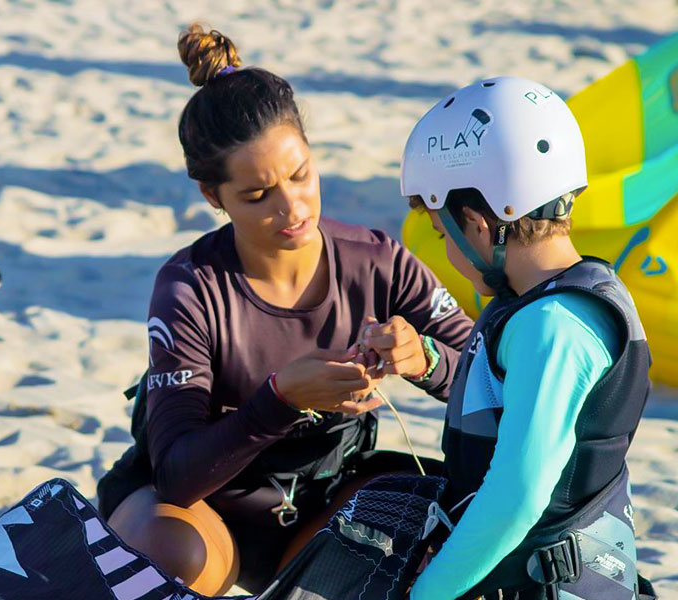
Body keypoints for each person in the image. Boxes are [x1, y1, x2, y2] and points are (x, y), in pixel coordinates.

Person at [96, 23, 474, 595]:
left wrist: (424, 359)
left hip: (324, 498)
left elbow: (492, 374)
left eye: (301, 175)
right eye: (257, 195)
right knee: (164, 556)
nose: (292, 207)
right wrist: (279, 400)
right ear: (213, 197)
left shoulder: (376, 261)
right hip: (201, 510)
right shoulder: (190, 287)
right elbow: (175, 477)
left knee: (454, 526)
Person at [399, 76, 655, 600]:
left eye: (444, 234)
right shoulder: (558, 298)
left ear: (476, 224)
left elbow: (517, 494)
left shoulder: (554, 326)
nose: (447, 252)